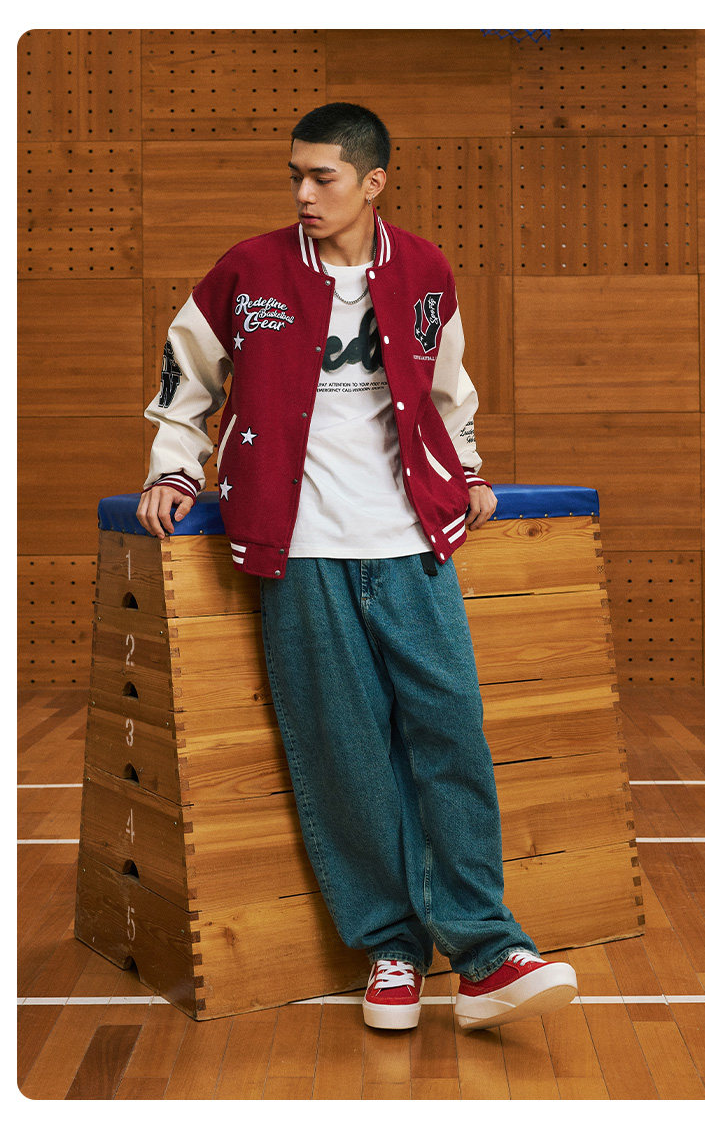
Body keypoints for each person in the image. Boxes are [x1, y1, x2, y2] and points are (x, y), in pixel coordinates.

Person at [136, 101, 578, 1032]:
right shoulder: (248, 270)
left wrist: (467, 471)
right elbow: (187, 376)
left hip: (412, 541)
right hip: (299, 551)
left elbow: (450, 391)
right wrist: (174, 466)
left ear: (372, 182)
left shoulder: (424, 270)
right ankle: (391, 952)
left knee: (451, 735)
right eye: (295, 176)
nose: (304, 193)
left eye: (322, 176)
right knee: (345, 752)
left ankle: (487, 953)